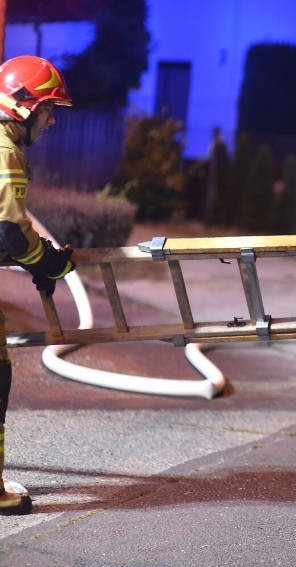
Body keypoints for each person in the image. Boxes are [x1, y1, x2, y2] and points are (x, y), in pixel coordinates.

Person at [0, 55, 76, 515]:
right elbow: (8, 230)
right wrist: (50, 264)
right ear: (25, 105)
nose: (51, 121)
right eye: (49, 110)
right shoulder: (5, 149)